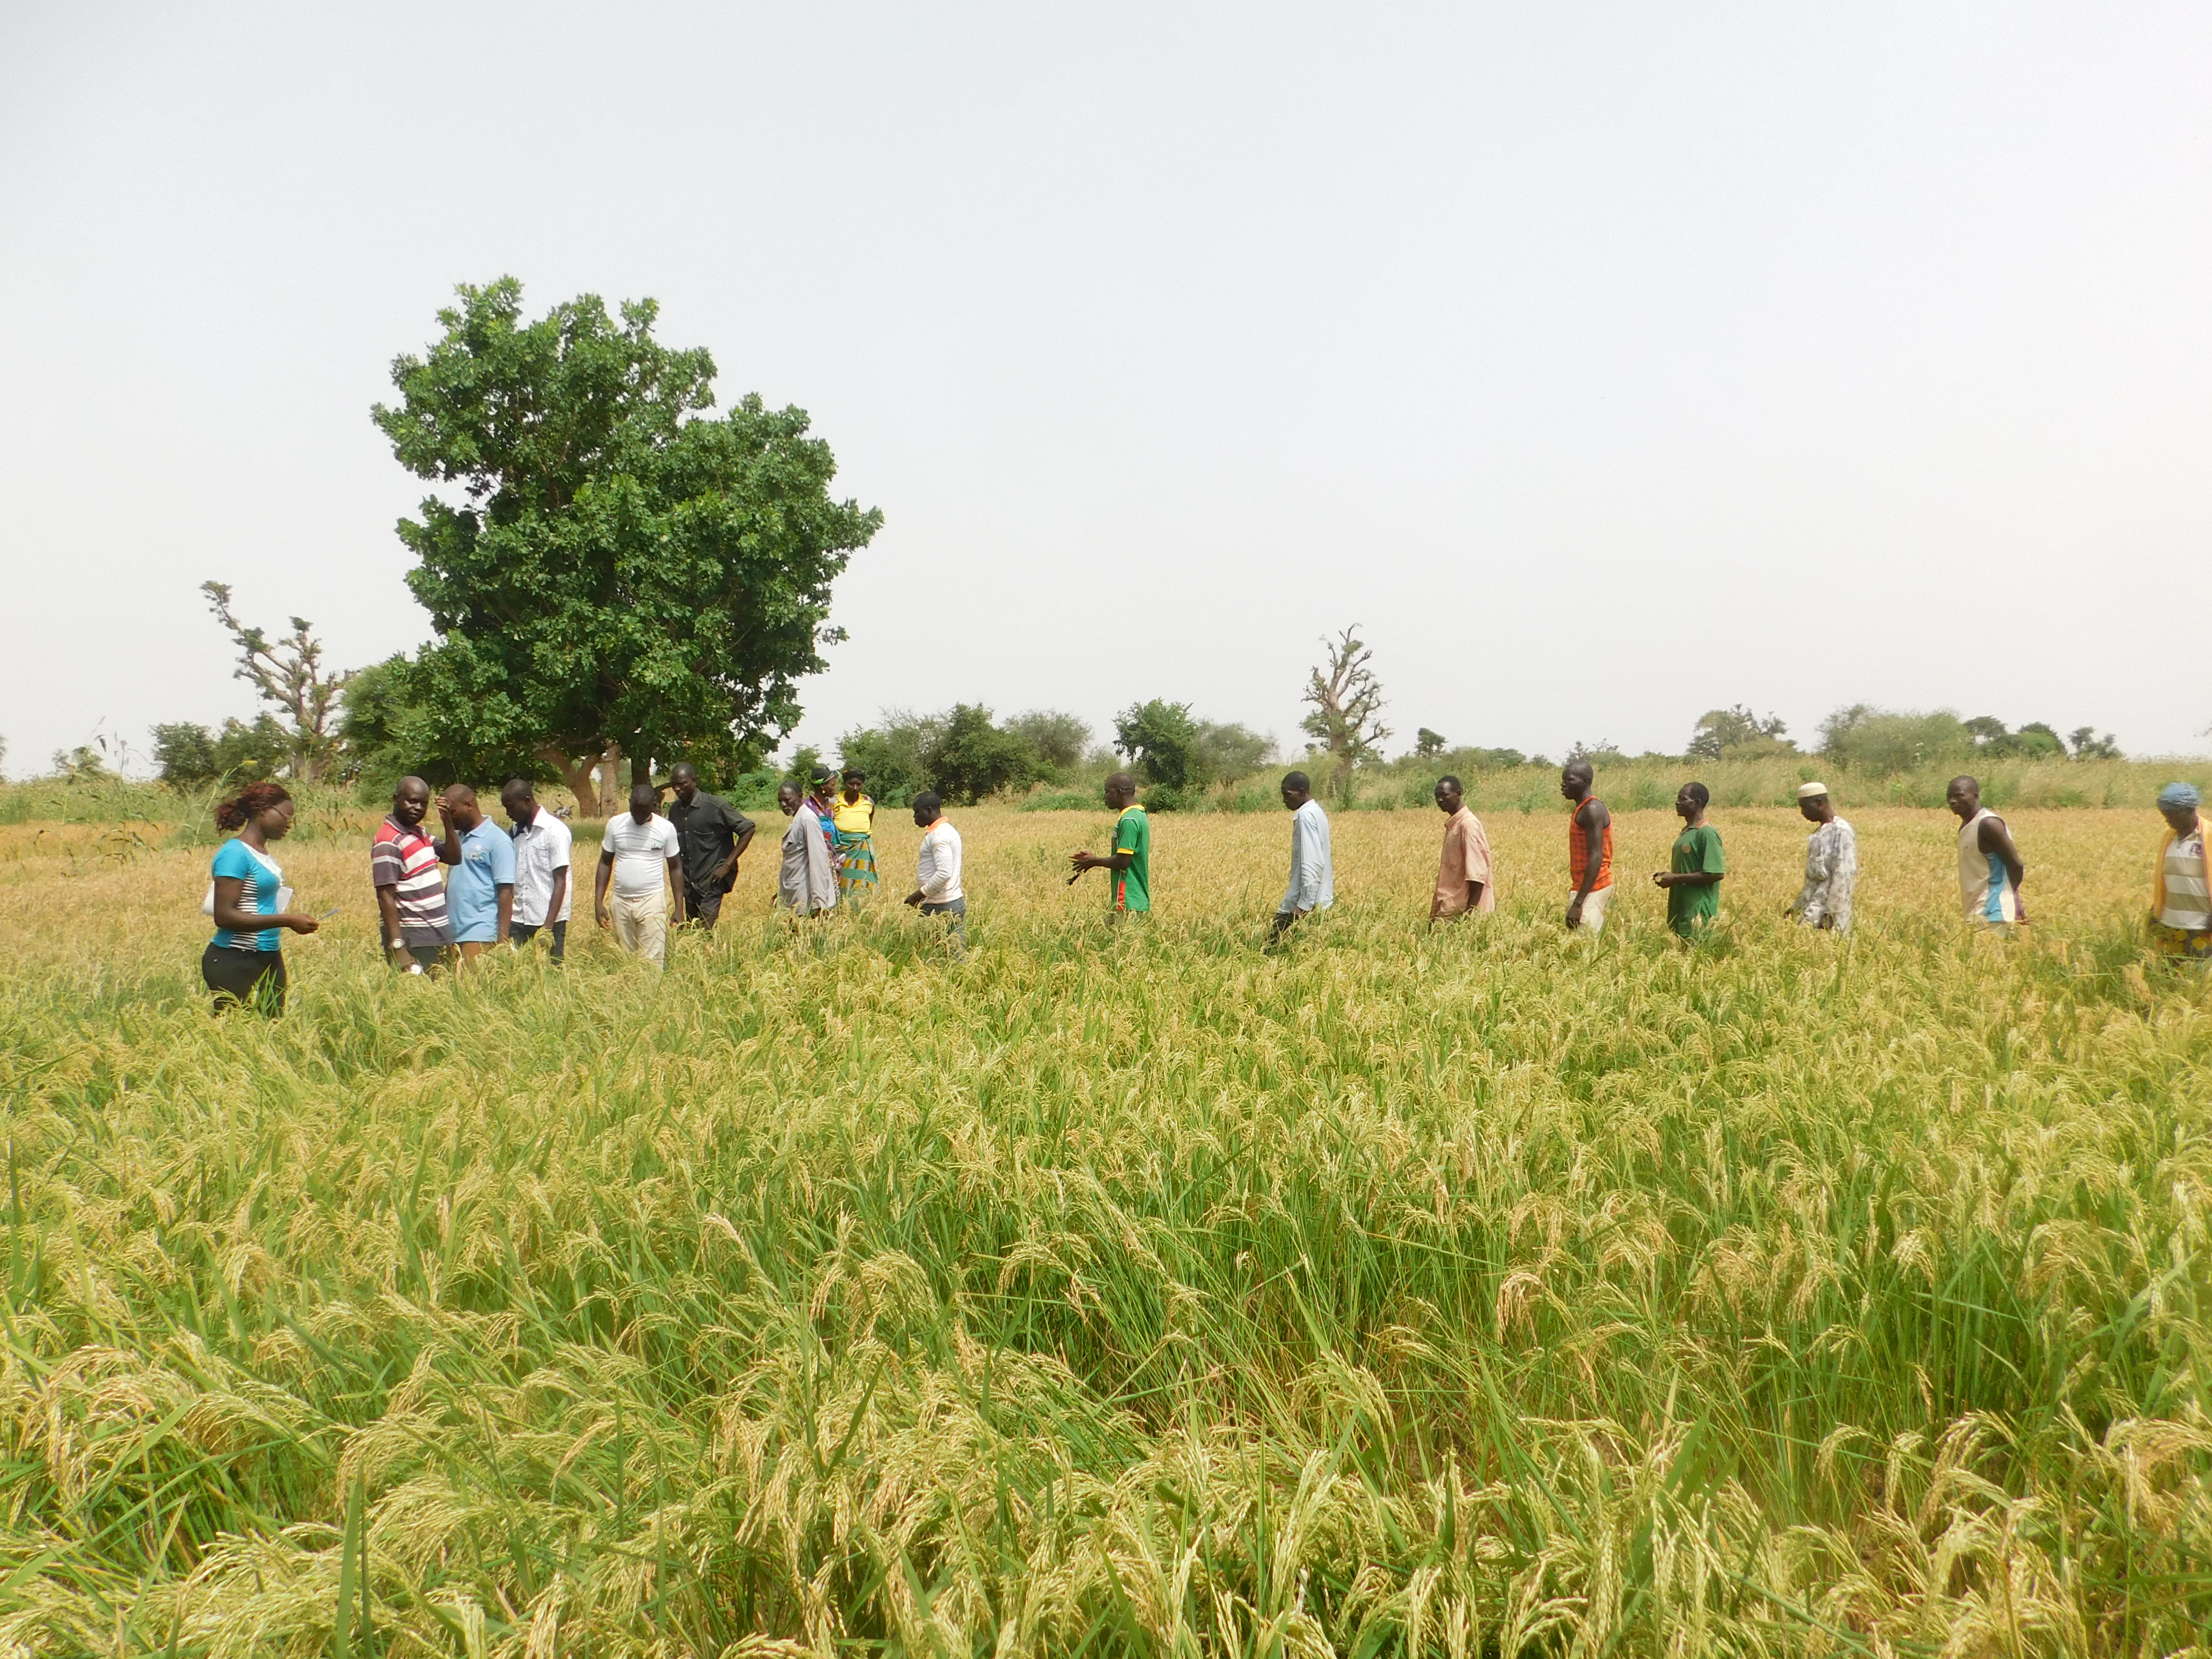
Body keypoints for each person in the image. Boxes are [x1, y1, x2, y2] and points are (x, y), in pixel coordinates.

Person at [203, 781, 318, 1013]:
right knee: (234, 1036)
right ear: (263, 810)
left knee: (270, 1029)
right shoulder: (234, 854)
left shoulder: (263, 855)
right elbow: (224, 916)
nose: (289, 824)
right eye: (286, 815)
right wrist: (287, 920)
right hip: (236, 959)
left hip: (267, 956)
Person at [595, 782, 686, 967]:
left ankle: (650, 995)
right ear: (629, 803)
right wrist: (599, 902)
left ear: (655, 805)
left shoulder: (666, 829)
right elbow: (605, 862)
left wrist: (679, 907)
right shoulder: (615, 825)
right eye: (634, 811)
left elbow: (675, 868)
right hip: (621, 902)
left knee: (652, 963)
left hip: (652, 901)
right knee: (626, 961)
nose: (638, 817)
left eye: (644, 812)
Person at [373, 775, 456, 972]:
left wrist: (448, 822)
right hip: (413, 938)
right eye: (412, 801)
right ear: (396, 800)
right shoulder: (388, 841)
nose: (418, 808)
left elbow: (453, 858)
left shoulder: (421, 833)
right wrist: (398, 946)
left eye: (423, 804)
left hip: (436, 933)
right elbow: (386, 897)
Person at [666, 761, 755, 929]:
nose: (677, 789)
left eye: (682, 784)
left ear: (694, 781)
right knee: (691, 932)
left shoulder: (716, 806)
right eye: (674, 785)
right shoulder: (675, 810)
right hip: (689, 884)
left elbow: (748, 829)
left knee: (703, 931)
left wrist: (727, 865)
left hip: (712, 882)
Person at [439, 783, 514, 961]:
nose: (449, 819)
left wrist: (502, 940)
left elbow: (506, 891)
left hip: (480, 931)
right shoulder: (457, 839)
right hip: (453, 930)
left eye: (452, 813)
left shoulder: (498, 840)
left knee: (472, 985)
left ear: (469, 806)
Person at [502, 777, 573, 961]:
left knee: (551, 972)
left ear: (527, 801)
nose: (508, 813)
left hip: (548, 919)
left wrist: (547, 929)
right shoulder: (515, 832)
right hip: (519, 917)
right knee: (518, 971)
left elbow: (560, 881)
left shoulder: (554, 831)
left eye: (511, 807)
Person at [1948, 775, 2028, 926]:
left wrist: (2013, 898)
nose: (1953, 801)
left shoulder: (1988, 824)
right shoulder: (1966, 826)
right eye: (1950, 797)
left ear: (1976, 796)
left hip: (1993, 912)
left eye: (1959, 796)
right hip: (1976, 912)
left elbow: (2016, 865)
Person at [1070, 771, 1151, 916]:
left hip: (1126, 899)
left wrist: (1093, 861)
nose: (1104, 796)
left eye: (1107, 791)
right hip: (1135, 900)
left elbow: (1123, 861)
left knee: (1119, 936)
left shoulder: (1129, 820)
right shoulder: (1138, 814)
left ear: (1119, 792)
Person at [1653, 781, 1725, 940]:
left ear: (1697, 803)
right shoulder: (1687, 832)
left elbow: (1716, 873)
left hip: (1698, 910)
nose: (1677, 803)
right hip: (1682, 906)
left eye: (1683, 799)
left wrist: (1675, 878)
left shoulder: (1706, 833)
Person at [2149, 781, 2210, 963]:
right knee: (2169, 983)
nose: (2167, 820)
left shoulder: (2208, 837)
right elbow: (2164, 882)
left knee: (2201, 985)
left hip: (2203, 928)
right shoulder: (2169, 839)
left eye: (2170, 815)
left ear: (2187, 811)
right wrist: (2155, 913)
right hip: (2171, 926)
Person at [1785, 781, 1856, 933]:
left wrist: (1831, 915)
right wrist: (1796, 908)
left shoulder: (1841, 831)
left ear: (1818, 803)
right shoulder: (1820, 832)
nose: (1802, 813)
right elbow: (1812, 881)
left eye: (1805, 807)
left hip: (1827, 915)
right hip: (1811, 908)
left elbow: (1843, 875)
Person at [1271, 771, 1333, 942]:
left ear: (1302, 791)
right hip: (1321, 900)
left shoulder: (1306, 816)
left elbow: (1313, 863)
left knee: (1272, 948)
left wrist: (1302, 906)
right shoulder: (1316, 812)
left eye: (1288, 795)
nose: (1284, 800)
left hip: (1303, 902)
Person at [903, 789, 965, 954]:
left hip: (940, 905)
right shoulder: (948, 830)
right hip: (950, 901)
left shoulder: (939, 836)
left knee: (933, 953)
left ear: (929, 810)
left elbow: (944, 873)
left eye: (917, 812)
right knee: (950, 950)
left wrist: (919, 894)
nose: (915, 817)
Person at [1430, 774, 1494, 926]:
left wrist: (1468, 916)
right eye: (1437, 796)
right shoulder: (1456, 825)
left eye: (1444, 795)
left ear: (1458, 794)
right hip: (1449, 908)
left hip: (1459, 913)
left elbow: (1477, 876)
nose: (1440, 800)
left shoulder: (1467, 825)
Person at [1560, 760, 1614, 933]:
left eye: (1570, 780)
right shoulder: (1583, 809)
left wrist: (1578, 904)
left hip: (1593, 887)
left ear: (1586, 782)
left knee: (1584, 946)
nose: (1563, 784)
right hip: (1586, 887)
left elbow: (1596, 857)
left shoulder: (1592, 809)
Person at [777, 781, 839, 915]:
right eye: (780, 801)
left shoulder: (807, 819)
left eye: (787, 800)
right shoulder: (798, 819)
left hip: (806, 900)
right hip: (795, 895)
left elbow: (819, 861)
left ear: (800, 797)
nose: (783, 804)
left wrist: (819, 903)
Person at [832, 768, 879, 903]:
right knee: (839, 882)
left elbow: (869, 821)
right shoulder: (834, 801)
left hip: (861, 849)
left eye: (859, 784)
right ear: (845, 784)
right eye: (851, 784)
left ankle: (859, 909)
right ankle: (840, 909)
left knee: (862, 883)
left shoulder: (868, 801)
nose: (855, 788)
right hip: (840, 849)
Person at [804, 765, 842, 896]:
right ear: (823, 787)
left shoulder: (830, 806)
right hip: (813, 855)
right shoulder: (806, 807)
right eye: (832, 785)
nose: (835, 787)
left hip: (830, 855)